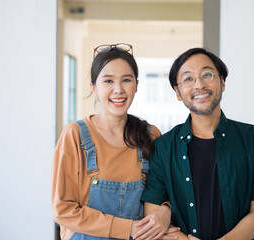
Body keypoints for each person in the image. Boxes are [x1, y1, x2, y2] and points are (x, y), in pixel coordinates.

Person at [140, 48, 254, 240]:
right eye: (188, 79)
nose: (199, 84)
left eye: (207, 74)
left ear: (222, 82)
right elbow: (153, 213)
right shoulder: (164, 147)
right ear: (177, 92)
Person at [51, 43, 176, 240]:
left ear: (136, 85)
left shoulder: (150, 135)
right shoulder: (74, 135)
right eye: (108, 81)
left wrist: (166, 211)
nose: (118, 90)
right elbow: (63, 210)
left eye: (126, 80)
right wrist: (129, 229)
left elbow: (167, 193)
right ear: (93, 87)